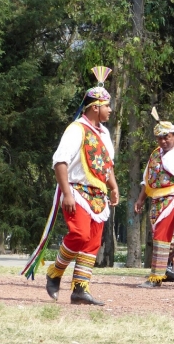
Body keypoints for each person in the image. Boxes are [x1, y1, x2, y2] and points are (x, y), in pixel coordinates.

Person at [45, 66, 119, 306]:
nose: (110, 110)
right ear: (95, 107)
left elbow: (106, 164)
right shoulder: (76, 129)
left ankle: (80, 288)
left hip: (99, 194)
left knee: (93, 242)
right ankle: (55, 271)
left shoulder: (104, 133)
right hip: (76, 190)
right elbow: (60, 161)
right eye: (107, 106)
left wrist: (114, 186)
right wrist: (66, 193)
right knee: (79, 234)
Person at [134, 120, 174, 288]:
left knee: (162, 236)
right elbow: (147, 178)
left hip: (172, 199)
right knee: (169, 238)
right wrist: (141, 199)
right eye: (159, 138)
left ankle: (156, 277)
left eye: (166, 137)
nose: (163, 141)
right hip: (155, 201)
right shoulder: (156, 154)